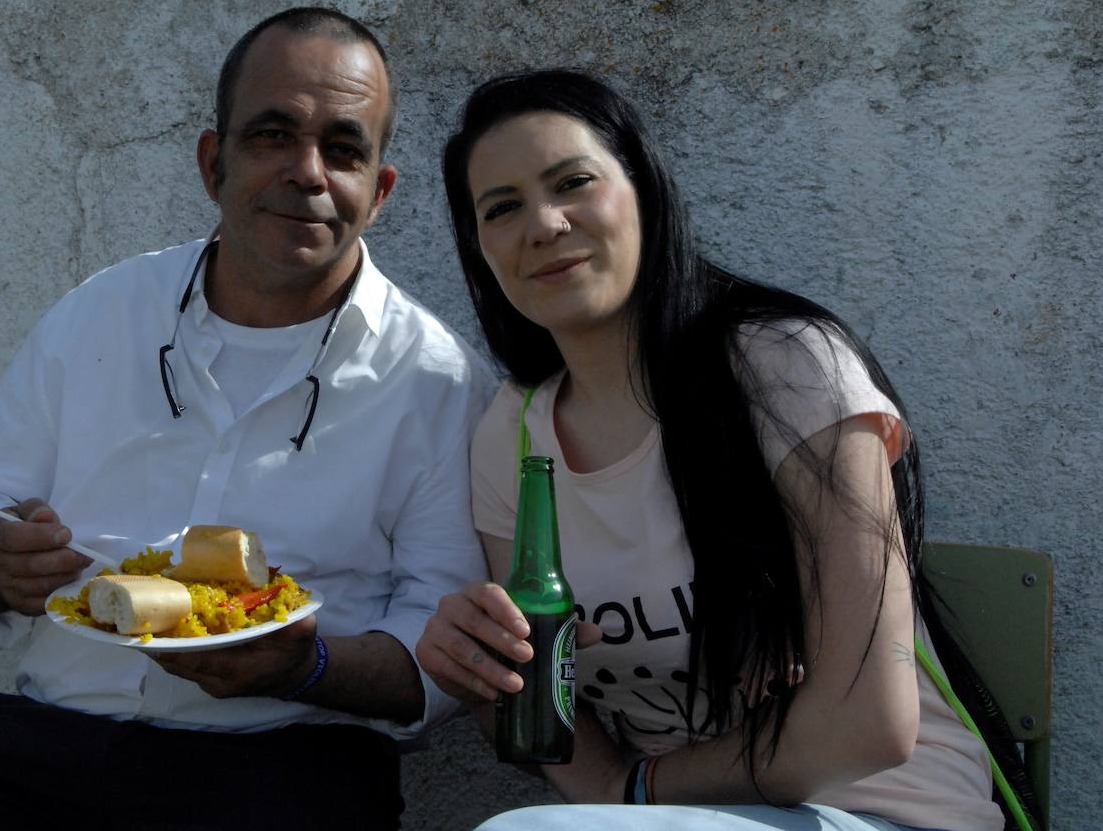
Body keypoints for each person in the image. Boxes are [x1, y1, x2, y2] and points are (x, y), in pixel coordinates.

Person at [0, 7, 493, 831]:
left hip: (283, 759)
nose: (308, 173)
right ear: (214, 162)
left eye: (344, 150)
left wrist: (305, 666)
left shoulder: (437, 382)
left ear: (380, 192)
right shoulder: (103, 312)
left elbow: (442, 644)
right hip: (46, 740)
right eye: (272, 136)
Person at [415, 70, 1028, 831]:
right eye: (501, 208)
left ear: (643, 191)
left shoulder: (785, 366)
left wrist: (633, 791)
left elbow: (869, 726)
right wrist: (486, 673)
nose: (542, 224)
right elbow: (545, 708)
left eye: (572, 182)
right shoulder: (511, 433)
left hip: (886, 813)